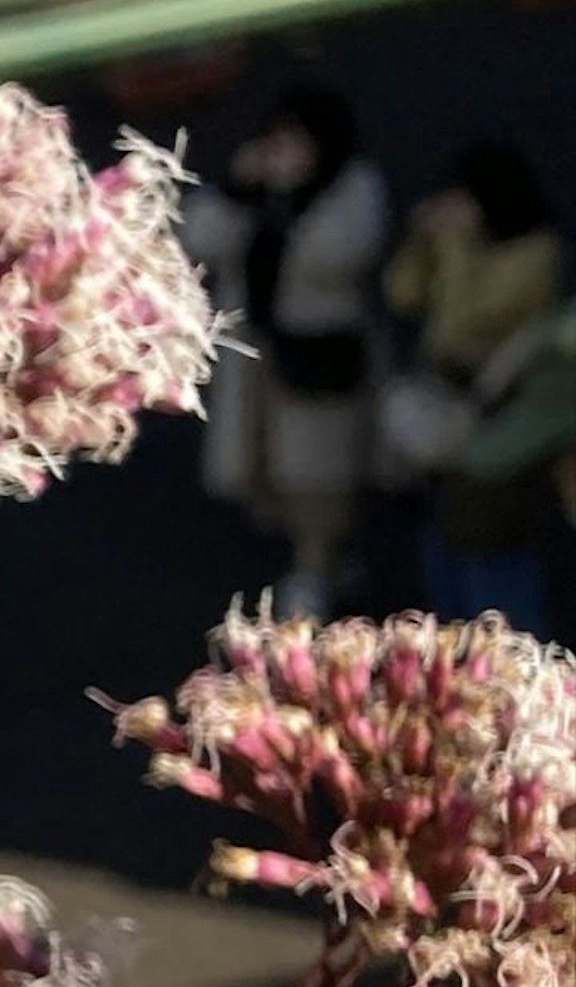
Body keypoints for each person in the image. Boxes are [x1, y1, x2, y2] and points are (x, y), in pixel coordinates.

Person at [183, 79, 390, 616]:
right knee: (264, 467)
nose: (286, 153)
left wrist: (295, 199)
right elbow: (199, 240)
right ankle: (323, 556)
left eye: (299, 140)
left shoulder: (353, 185)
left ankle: (314, 568)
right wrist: (238, 189)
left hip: (319, 355)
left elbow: (342, 255)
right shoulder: (253, 188)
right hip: (256, 353)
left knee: (318, 474)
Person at [381, 138, 561, 629]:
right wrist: (421, 242)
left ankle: (513, 644)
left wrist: (459, 251)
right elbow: (402, 294)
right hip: (441, 397)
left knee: (492, 537)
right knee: (441, 530)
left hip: (496, 405)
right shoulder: (450, 241)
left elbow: (479, 319)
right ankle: (457, 637)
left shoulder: (535, 251)